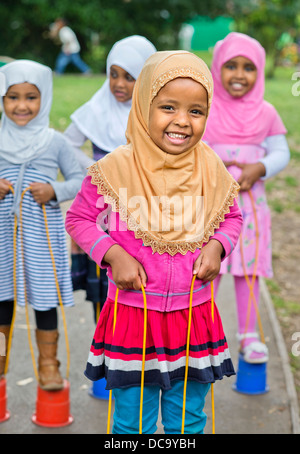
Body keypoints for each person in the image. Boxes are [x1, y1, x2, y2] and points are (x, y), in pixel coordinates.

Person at [65, 50, 243, 434]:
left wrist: (217, 247)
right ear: (144, 105)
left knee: (189, 419)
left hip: (194, 317)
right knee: (132, 422)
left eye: (196, 111)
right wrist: (113, 255)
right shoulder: (114, 168)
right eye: (167, 107)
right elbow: (79, 218)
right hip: (133, 316)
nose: (182, 121)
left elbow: (232, 217)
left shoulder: (211, 168)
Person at [203, 32, 290, 364]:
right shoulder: (206, 107)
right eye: (231, 66)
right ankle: (201, 330)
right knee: (208, 266)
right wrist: (212, 167)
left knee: (248, 270)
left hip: (251, 208)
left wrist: (260, 167)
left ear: (260, 71)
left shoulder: (266, 112)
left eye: (249, 67)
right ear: (216, 68)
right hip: (210, 208)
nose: (239, 75)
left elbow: (281, 151)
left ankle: (249, 334)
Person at [0, 60, 83, 390]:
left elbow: (80, 180)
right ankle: (0, 360)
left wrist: (55, 191)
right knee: (1, 300)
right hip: (3, 239)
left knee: (45, 300)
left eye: (31, 97)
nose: (21, 106)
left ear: (44, 97)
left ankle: (49, 364)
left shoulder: (55, 142)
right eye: (12, 97)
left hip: (41, 239)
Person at [64, 35, 156, 322]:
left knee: (142, 283)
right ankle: (104, 348)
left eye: (129, 77)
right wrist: (97, 168)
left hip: (142, 210)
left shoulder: (154, 113)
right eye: (113, 74)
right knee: (105, 289)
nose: (118, 84)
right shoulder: (97, 108)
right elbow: (67, 144)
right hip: (103, 212)